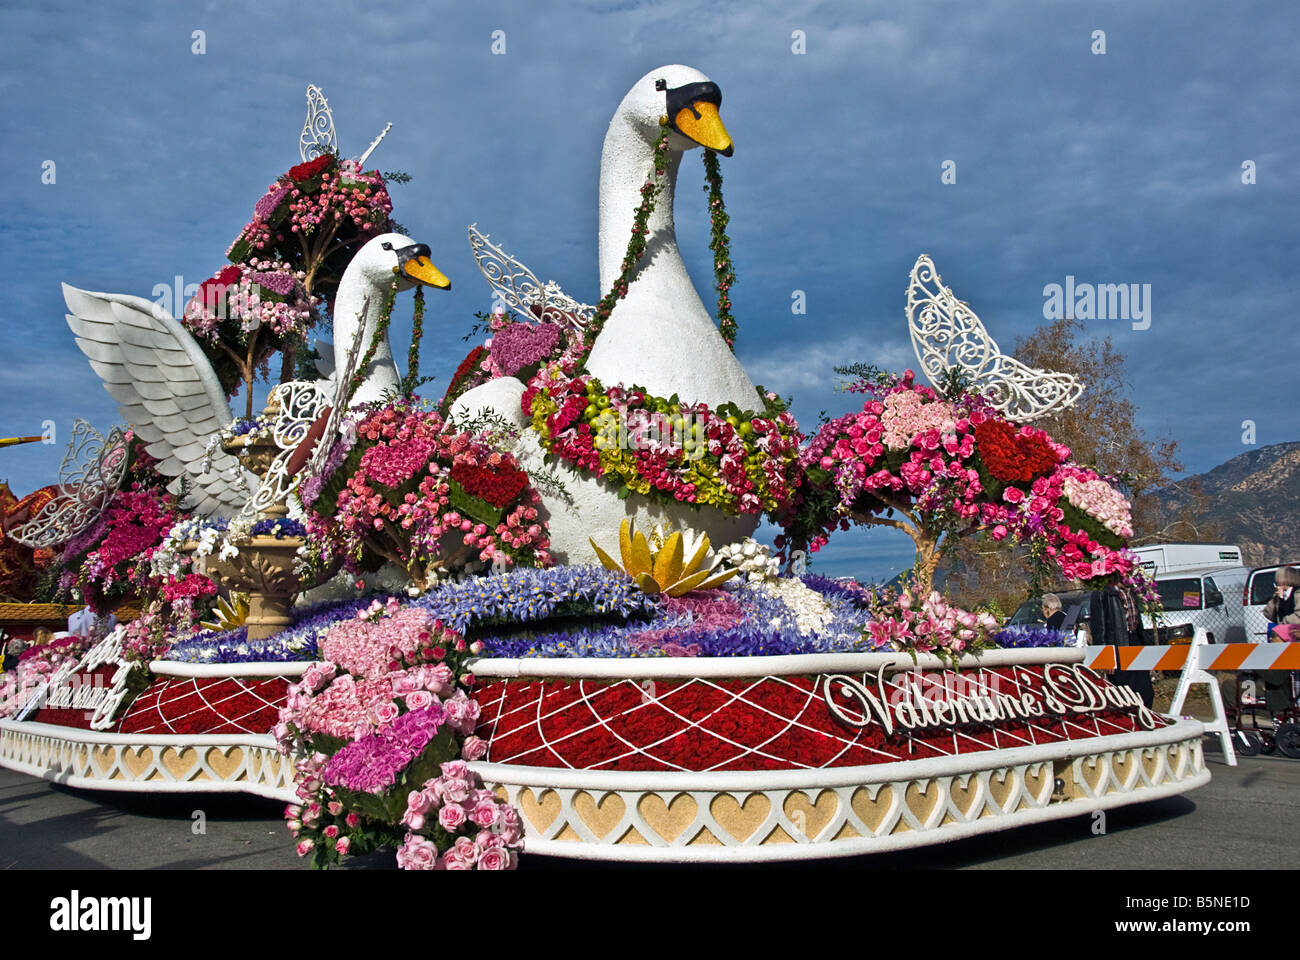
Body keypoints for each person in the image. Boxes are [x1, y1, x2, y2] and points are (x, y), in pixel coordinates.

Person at [1261, 566, 1300, 718]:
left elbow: (1298, 615)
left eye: (1279, 581)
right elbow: (1268, 614)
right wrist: (1275, 599)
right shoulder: (1280, 597)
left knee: (1277, 633)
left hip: (1293, 632)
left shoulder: (1297, 594)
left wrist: (1283, 624)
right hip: (1285, 636)